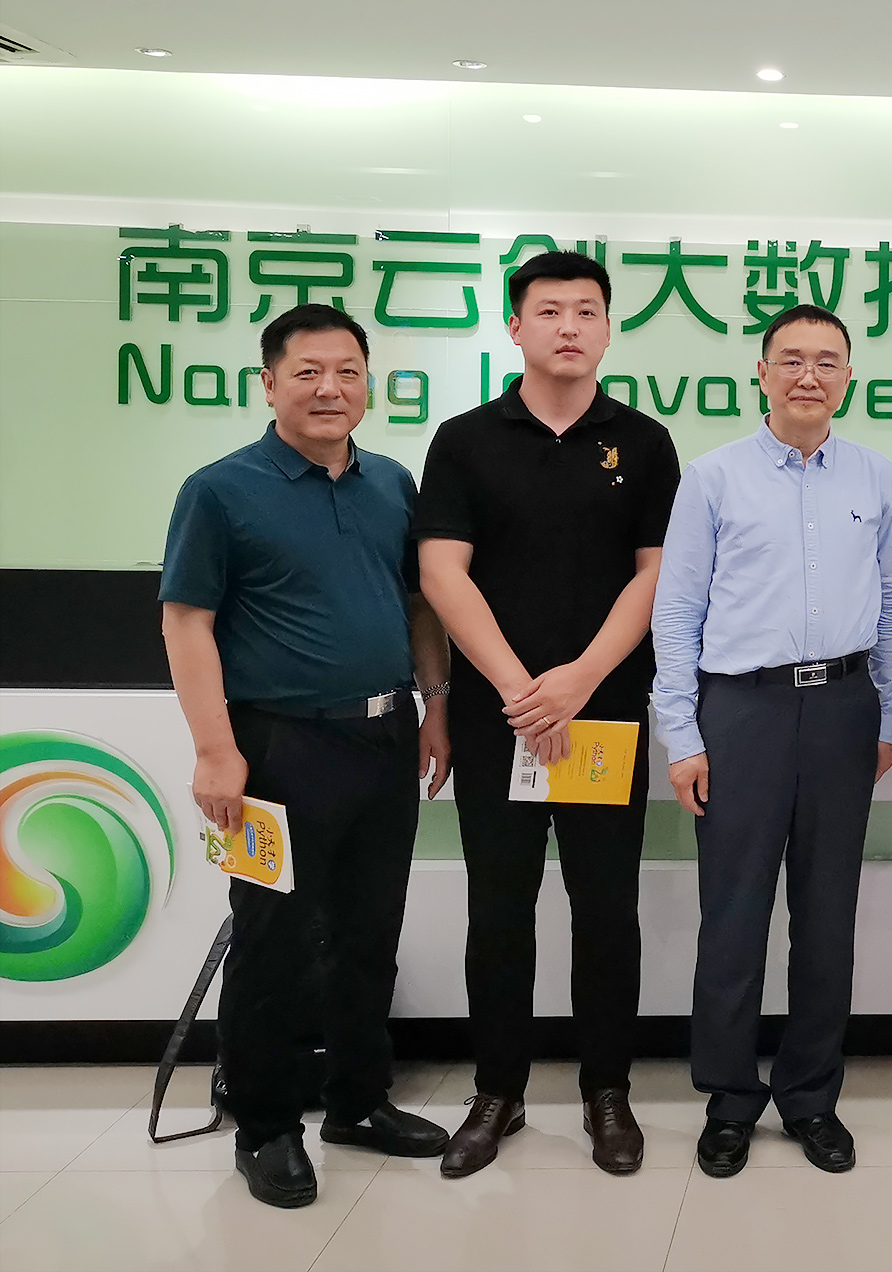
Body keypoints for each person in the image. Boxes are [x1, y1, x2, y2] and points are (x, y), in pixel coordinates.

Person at [159, 303, 452, 1208]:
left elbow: (418, 606)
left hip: (384, 736)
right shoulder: (220, 490)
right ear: (269, 384)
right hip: (277, 745)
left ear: (369, 383)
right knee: (274, 942)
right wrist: (215, 750)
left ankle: (358, 1102)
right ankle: (266, 1126)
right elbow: (187, 622)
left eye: (348, 371)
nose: (331, 388)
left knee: (369, 931)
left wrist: (435, 706)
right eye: (308, 372)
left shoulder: (391, 483)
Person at [416, 251, 680, 1177]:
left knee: (606, 908)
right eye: (549, 310)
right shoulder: (464, 440)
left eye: (587, 311)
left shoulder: (643, 443)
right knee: (499, 908)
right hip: (500, 719)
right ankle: (499, 1091)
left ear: (609, 328)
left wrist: (578, 681)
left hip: (604, 718)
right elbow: (441, 571)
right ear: (515, 326)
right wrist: (522, 691)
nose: (569, 327)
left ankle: (608, 1091)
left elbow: (657, 575)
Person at [651, 304, 892, 1177]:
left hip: (843, 709)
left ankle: (810, 1097)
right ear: (761, 374)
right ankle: (729, 1100)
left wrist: (885, 715)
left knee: (827, 917)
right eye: (791, 360)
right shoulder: (713, 477)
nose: (809, 375)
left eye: (827, 361)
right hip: (742, 712)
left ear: (848, 378)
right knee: (733, 916)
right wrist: (683, 733)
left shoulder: (877, 476)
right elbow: (677, 611)